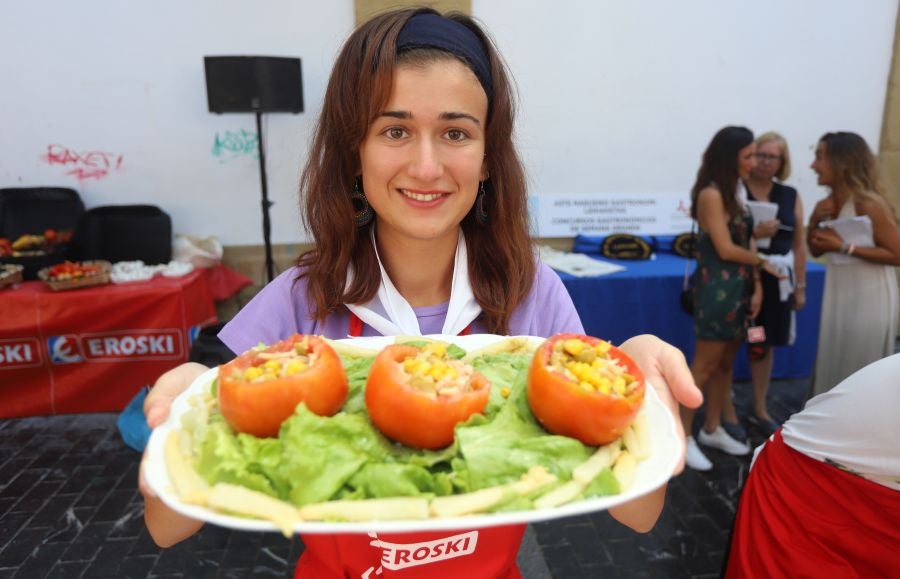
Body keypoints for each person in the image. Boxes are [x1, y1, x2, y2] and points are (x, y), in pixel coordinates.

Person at [139, 8, 702, 578]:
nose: (427, 166)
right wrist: (187, 414)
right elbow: (167, 528)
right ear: (354, 152)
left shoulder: (530, 294)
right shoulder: (298, 301)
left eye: (456, 133)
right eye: (395, 130)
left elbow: (639, 513)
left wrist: (640, 402)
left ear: (487, 159)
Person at [725, 352, 900, 577]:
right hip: (805, 487)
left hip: (874, 491)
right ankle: (730, 419)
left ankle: (756, 410)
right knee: (725, 359)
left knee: (760, 351)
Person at [681, 126, 783, 472]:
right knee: (703, 367)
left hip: (738, 289)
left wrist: (756, 283)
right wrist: (763, 262)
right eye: (749, 155)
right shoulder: (711, 194)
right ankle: (682, 438)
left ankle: (712, 428)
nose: (754, 162)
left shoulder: (734, 191)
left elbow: (745, 239)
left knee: (725, 363)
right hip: (716, 293)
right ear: (731, 158)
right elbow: (725, 248)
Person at [807, 131, 900, 397]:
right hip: (840, 294)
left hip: (869, 297)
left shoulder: (868, 203)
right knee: (833, 355)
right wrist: (814, 221)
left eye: (819, 157)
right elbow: (816, 247)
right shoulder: (826, 204)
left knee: (858, 365)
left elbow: (897, 254)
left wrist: (844, 247)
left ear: (841, 161)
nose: (813, 166)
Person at [732, 131, 806, 435]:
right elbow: (727, 238)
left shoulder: (790, 195)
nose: (764, 162)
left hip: (777, 280)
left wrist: (800, 286)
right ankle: (723, 410)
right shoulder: (737, 190)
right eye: (760, 155)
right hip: (742, 277)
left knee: (762, 341)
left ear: (782, 161)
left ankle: (759, 406)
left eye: (772, 157)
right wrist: (756, 234)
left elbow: (799, 244)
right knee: (731, 342)